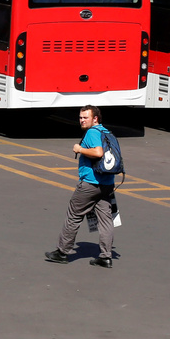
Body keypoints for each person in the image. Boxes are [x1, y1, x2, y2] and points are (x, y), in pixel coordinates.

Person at [45, 105, 117, 268]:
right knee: (106, 220)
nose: (82, 120)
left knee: (74, 215)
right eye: (80, 117)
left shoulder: (92, 132)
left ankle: (62, 252)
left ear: (95, 119)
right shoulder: (106, 132)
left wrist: (80, 149)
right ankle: (106, 257)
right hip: (107, 183)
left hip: (90, 183)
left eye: (85, 117)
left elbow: (98, 153)